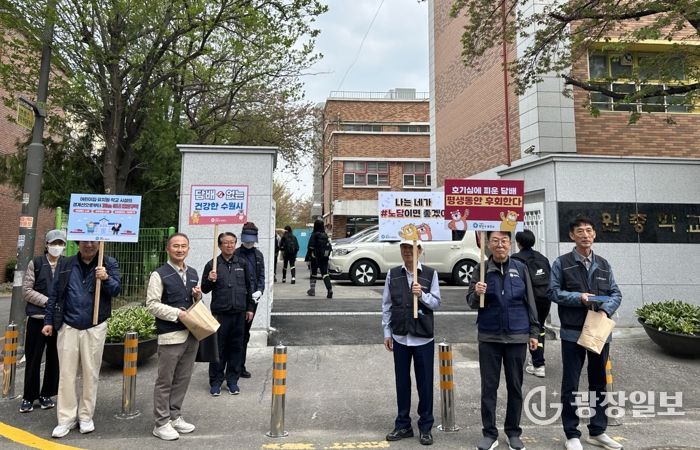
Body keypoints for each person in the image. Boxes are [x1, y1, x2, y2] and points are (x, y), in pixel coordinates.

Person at [549, 217, 623, 450]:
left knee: (599, 382)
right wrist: (578, 297)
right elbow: (553, 292)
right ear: (572, 236)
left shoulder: (603, 264)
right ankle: (571, 434)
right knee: (570, 384)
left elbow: (616, 293)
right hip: (572, 332)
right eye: (579, 231)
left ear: (594, 234)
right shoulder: (562, 263)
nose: (585, 235)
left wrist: (605, 310)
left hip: (599, 331)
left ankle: (597, 431)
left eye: (589, 231)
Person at [466, 230, 539, 450]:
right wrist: (477, 292)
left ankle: (513, 432)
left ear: (510, 244)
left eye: (504, 241)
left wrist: (534, 332)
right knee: (489, 388)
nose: (500, 245)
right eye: (495, 241)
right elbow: (470, 302)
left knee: (515, 386)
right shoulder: (481, 269)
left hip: (517, 336)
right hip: (489, 336)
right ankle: (489, 433)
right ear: (488, 244)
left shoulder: (520, 268)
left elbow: (530, 301)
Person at [42, 240, 121, 438]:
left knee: (91, 373)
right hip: (68, 325)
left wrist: (106, 278)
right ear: (78, 242)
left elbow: (116, 290)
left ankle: (86, 416)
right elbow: (54, 294)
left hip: (95, 326)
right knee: (66, 374)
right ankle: (66, 419)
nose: (89, 245)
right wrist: (48, 321)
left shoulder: (108, 263)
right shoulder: (65, 263)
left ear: (100, 243)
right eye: (85, 241)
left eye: (94, 241)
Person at [381, 239, 441, 446]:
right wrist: (387, 332)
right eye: (404, 248)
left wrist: (421, 295)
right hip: (400, 336)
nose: (407, 251)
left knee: (425, 383)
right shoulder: (393, 274)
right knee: (402, 382)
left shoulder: (430, 274)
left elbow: (437, 303)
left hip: (423, 337)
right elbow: (387, 305)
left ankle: (425, 427)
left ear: (420, 250)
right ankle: (403, 424)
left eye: (411, 248)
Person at [146, 233, 202, 441]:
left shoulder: (193, 273)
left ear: (188, 249)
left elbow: (195, 302)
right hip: (170, 335)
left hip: (191, 334)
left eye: (184, 246)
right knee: (165, 381)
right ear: (168, 249)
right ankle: (161, 423)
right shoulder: (159, 274)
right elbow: (152, 305)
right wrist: (177, 313)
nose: (180, 250)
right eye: (176, 246)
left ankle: (175, 416)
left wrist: (197, 296)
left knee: (183, 378)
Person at [201, 232, 255, 396]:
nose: (229, 245)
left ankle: (232, 381)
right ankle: (216, 382)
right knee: (218, 348)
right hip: (220, 313)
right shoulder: (212, 265)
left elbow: (249, 287)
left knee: (236, 348)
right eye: (226, 242)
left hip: (239, 313)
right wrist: (210, 279)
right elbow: (204, 289)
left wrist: (250, 308)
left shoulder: (242, 263)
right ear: (219, 245)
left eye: (232, 242)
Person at [19, 229, 65, 414]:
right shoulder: (36, 263)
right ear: (47, 244)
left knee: (54, 358)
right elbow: (26, 291)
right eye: (54, 243)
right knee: (33, 358)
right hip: (37, 318)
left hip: (58, 320)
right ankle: (29, 397)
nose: (57, 247)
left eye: (60, 243)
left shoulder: (66, 264)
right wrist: (48, 301)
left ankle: (47, 394)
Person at [512, 229, 552, 378]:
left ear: (518, 243)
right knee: (539, 328)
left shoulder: (516, 259)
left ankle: (538, 363)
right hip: (544, 299)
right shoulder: (542, 258)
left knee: (530, 330)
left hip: (528, 299)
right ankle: (537, 360)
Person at [234, 222, 265, 379]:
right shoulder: (235, 254)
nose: (249, 242)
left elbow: (261, 276)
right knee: (235, 334)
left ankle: (241, 366)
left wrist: (260, 290)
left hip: (253, 300)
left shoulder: (258, 255)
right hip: (238, 299)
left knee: (245, 334)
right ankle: (231, 367)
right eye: (247, 239)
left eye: (252, 239)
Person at [305, 219, 333, 298]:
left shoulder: (314, 234)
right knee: (325, 273)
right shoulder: (325, 235)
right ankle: (329, 289)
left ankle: (312, 290)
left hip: (315, 257)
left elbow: (310, 246)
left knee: (313, 273)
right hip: (324, 256)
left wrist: (308, 256)